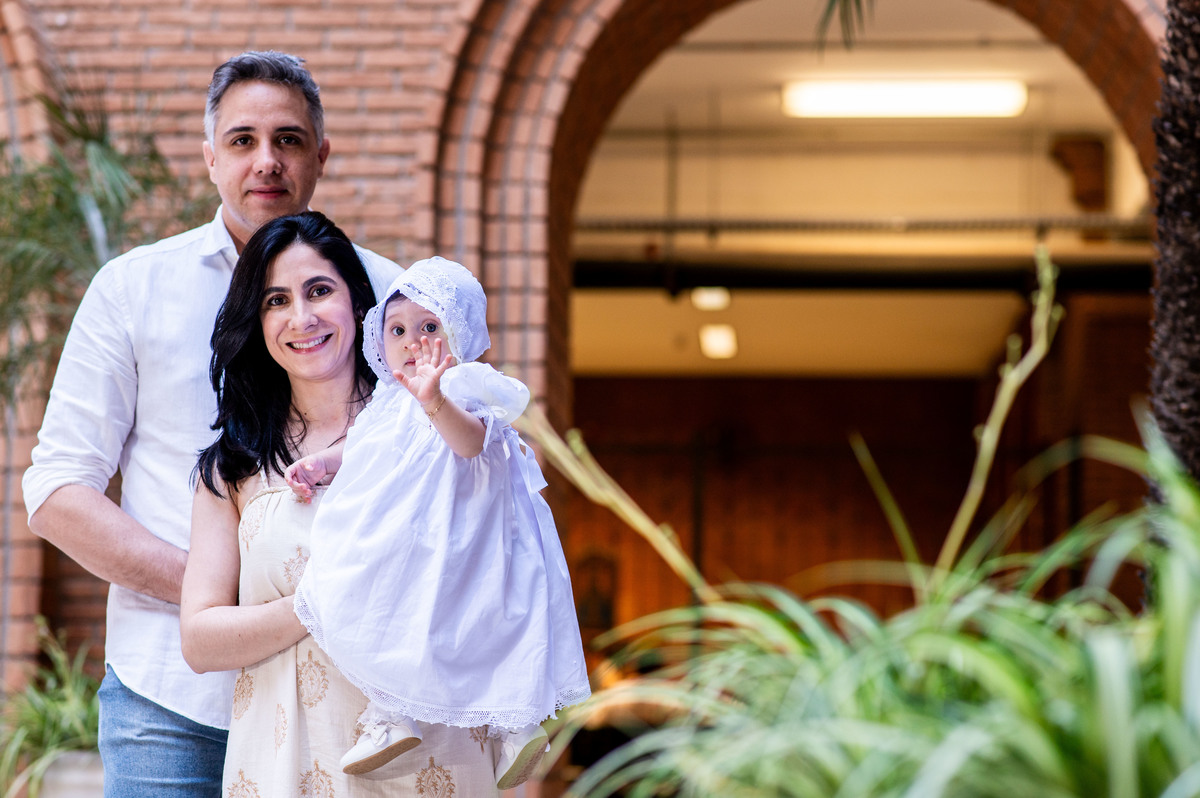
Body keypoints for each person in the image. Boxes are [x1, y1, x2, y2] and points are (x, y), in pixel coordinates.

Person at [21, 52, 399, 797]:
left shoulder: (388, 297)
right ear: (210, 158)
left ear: (321, 155)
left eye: (290, 140)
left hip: (352, 697)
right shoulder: (133, 289)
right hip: (170, 706)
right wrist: (217, 593)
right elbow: (57, 491)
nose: (267, 161)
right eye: (242, 140)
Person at [182, 212, 503, 796]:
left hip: (434, 758)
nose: (300, 318)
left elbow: (496, 564)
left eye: (319, 290)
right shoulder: (234, 466)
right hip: (289, 762)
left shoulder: (430, 430)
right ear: (258, 321)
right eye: (276, 300)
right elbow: (200, 641)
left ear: (360, 304)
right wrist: (320, 605)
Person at [285, 256, 591, 788]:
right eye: (398, 330)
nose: (411, 342)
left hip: (467, 539)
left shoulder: (466, 387)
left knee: (495, 618)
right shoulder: (385, 403)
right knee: (385, 606)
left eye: (430, 328)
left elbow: (470, 442)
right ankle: (391, 716)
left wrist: (434, 400)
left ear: (460, 333)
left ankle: (516, 726)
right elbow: (360, 452)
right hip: (411, 540)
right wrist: (322, 465)